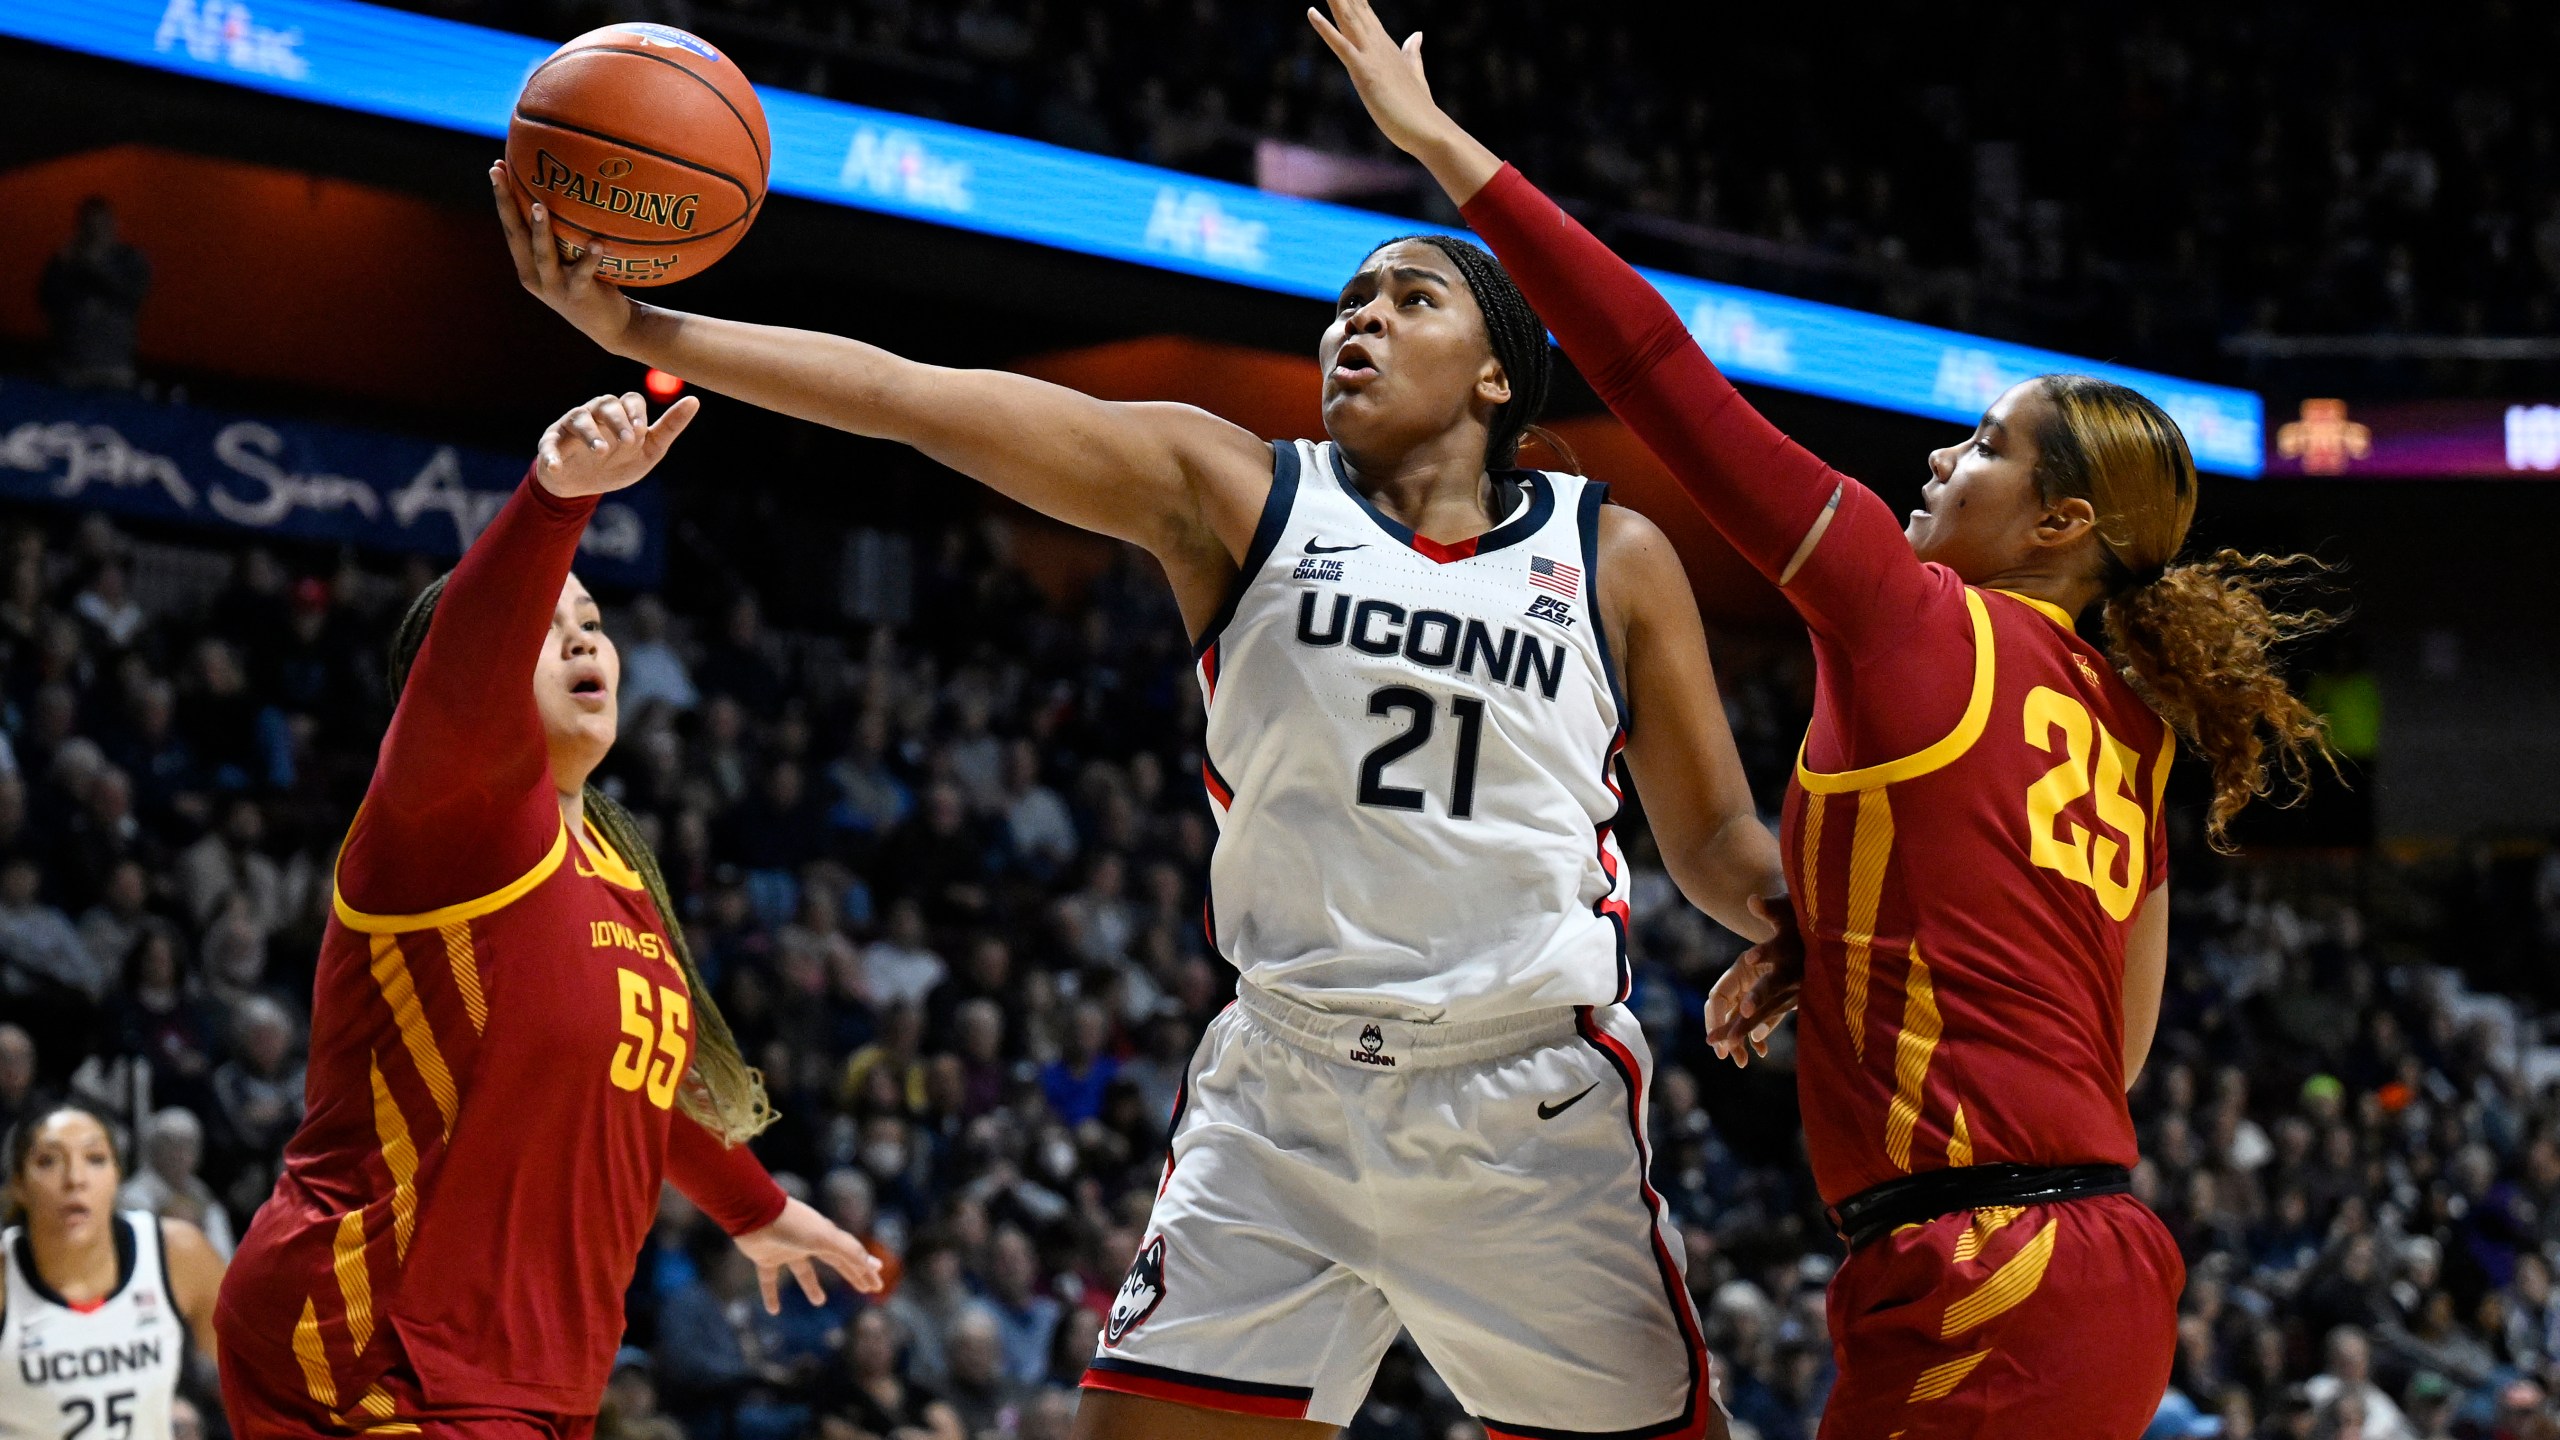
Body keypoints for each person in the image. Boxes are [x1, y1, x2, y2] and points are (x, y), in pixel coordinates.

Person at [493, 128, 1790, 1438]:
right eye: (1350, 300)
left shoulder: (1613, 555)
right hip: (1285, 1094)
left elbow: (1720, 835)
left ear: (1500, 372)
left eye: (1412, 299)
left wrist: (1793, 923)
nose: (1363, 319)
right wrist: (645, 330)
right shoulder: (1238, 490)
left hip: (1525, 1100)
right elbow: (909, 393)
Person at [1309, 3, 2341, 1434]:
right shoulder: (2131, 723)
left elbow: (1659, 372)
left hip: (1982, 1261)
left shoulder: (1911, 613)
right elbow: (2115, 1043)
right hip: (2090, 1251)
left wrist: (1441, 148)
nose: (1941, 451)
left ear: (2059, 522)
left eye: (1984, 445)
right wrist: (1845, 960)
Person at [213, 394, 883, 1437]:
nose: (583, 641)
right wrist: (553, 502)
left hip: (532, 1375)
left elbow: (632, 1084)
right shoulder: (444, 822)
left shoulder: (616, 864)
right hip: (371, 1340)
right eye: (548, 624)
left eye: (594, 625)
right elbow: (469, 660)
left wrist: (756, 1207)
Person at [0, 1101, 225, 1439]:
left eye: (95, 1159)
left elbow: (259, 1382)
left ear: (118, 1176)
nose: (75, 1179)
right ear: (18, 1185)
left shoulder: (179, 1254)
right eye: (48, 1161)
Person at [40, 197, 151, 391]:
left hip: (114, 367)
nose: (97, 232)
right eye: (90, 226)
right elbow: (48, 300)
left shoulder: (130, 259)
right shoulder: (66, 260)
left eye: (102, 224)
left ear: (114, 225)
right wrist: (63, 267)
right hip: (71, 366)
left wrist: (94, 266)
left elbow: (132, 296)